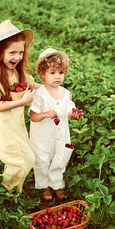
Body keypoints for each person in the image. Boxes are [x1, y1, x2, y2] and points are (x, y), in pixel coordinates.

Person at [0, 19, 40, 193]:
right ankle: (5, 193)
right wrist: (23, 101)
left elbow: (35, 86)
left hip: (17, 129)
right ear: (0, 52)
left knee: (27, 160)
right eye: (12, 53)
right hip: (4, 131)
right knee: (20, 163)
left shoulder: (16, 72)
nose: (17, 57)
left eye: (21, 52)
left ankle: (14, 191)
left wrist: (56, 91)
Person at [29, 48, 83, 200]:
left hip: (60, 135)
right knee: (43, 160)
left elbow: (69, 109)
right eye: (52, 73)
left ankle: (57, 184)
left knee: (60, 158)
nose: (57, 77)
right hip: (43, 136)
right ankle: (45, 186)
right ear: (42, 74)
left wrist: (75, 113)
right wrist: (45, 114)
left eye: (61, 73)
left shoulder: (66, 93)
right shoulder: (39, 94)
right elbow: (33, 116)